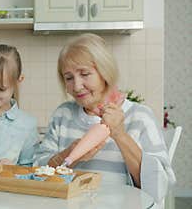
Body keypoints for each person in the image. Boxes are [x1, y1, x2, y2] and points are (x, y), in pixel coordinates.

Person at [33, 33, 175, 202]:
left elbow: (159, 185)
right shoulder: (63, 115)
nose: (77, 86)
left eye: (85, 74)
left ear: (105, 72)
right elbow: (36, 170)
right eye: (69, 78)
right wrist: (69, 154)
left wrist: (120, 134)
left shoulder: (140, 116)